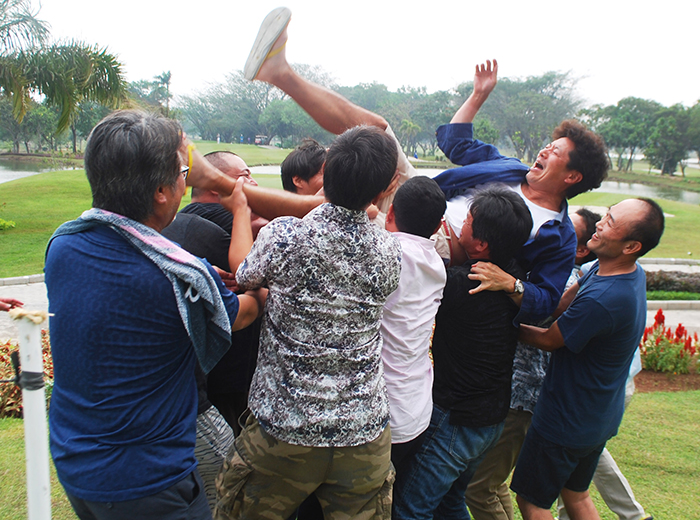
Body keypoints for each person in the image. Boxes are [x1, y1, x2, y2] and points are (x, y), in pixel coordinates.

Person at [44, 110, 265, 520]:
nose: (186, 182)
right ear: (161, 191)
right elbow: (245, 313)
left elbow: (133, 276)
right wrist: (264, 282)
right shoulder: (176, 279)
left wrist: (199, 276)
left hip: (76, 462)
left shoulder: (64, 245)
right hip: (148, 482)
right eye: (183, 173)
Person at [215, 125, 401, 520]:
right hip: (363, 435)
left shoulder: (285, 236)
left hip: (283, 432)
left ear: (327, 170)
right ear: (386, 187)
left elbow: (244, 275)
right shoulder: (389, 250)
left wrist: (241, 209)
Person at [511, 198, 665, 520]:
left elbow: (550, 339)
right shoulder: (615, 271)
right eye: (607, 214)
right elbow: (559, 305)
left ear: (631, 246)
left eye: (610, 223)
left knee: (532, 501)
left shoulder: (604, 299)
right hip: (597, 416)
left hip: (565, 419)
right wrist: (519, 290)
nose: (599, 223)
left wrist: (497, 324)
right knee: (576, 494)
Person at [393, 185, 532, 520]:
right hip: (491, 419)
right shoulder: (512, 274)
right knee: (450, 502)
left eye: (466, 220)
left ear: (481, 244)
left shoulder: (463, 284)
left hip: (456, 420)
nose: (458, 224)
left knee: (410, 509)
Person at [465, 206, 601, 520]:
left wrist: (509, 299)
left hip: (522, 398)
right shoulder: (538, 272)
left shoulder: (558, 284)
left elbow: (549, 332)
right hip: (509, 392)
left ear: (574, 248)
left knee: (477, 487)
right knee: (493, 483)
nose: (543, 233)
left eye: (561, 232)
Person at [381, 176, 447, 475]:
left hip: (380, 415)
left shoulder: (386, 254)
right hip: (416, 411)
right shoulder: (436, 265)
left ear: (391, 212)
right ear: (437, 227)